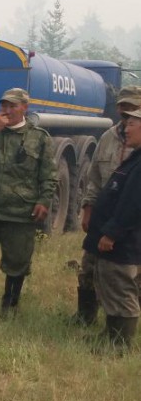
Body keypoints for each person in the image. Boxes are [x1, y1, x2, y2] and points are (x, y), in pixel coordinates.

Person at [0, 88, 57, 312]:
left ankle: (10, 306)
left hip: (20, 210)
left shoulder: (39, 137)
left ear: (25, 107)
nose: (7, 110)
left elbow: (49, 174)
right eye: (4, 105)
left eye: (12, 106)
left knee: (17, 262)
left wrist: (44, 200)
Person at [72, 86, 141, 325]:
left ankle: (124, 324)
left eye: (132, 107)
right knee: (89, 268)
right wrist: (88, 208)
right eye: (122, 106)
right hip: (104, 218)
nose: (125, 111)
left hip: (132, 220)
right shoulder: (108, 136)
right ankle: (85, 317)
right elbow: (94, 177)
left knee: (128, 274)